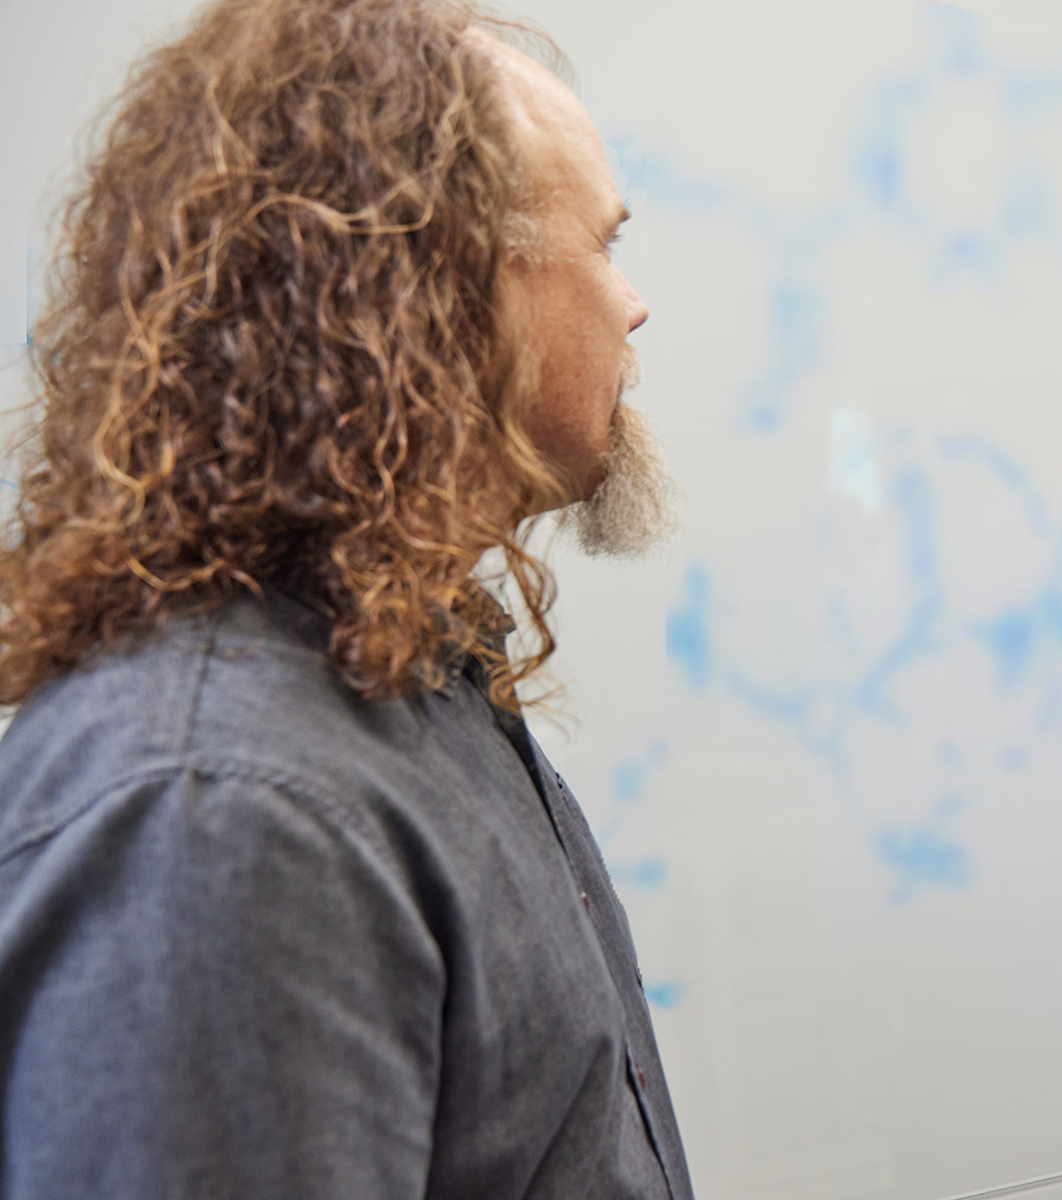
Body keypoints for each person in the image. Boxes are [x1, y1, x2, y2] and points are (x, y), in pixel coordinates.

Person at [0, 0, 691, 1196]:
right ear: (459, 294)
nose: (633, 307)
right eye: (605, 244)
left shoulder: (404, 679)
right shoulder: (220, 804)